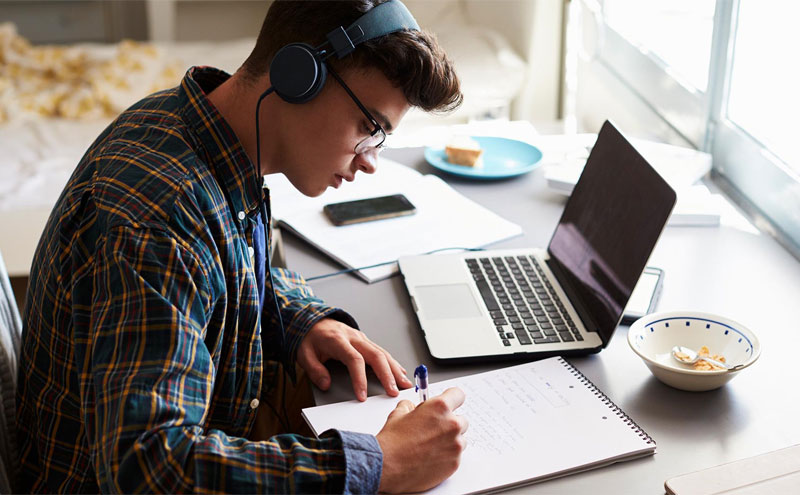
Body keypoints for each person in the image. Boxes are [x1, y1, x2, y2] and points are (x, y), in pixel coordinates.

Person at [15, 0, 468, 493]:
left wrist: (301, 319)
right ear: (299, 75)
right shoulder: (160, 216)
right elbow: (148, 468)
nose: (370, 162)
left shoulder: (199, 132)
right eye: (368, 128)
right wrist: (378, 463)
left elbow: (219, 273)